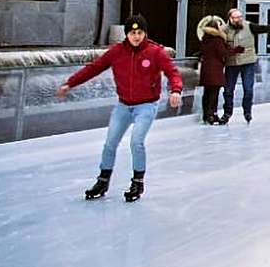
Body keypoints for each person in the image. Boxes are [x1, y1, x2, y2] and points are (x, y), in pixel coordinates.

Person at [55, 15, 182, 202]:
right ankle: (103, 180)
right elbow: (93, 68)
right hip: (124, 105)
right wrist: (70, 84)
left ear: (145, 34)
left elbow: (172, 72)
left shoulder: (156, 52)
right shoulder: (117, 52)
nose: (136, 36)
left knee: (136, 142)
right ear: (127, 34)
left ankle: (137, 181)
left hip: (146, 105)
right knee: (110, 144)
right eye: (132, 33)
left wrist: (176, 90)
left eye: (140, 33)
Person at [223, 8, 270, 124]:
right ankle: (227, 112)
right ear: (230, 19)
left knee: (248, 89)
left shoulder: (248, 26)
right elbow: (218, 45)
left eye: (240, 17)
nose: (239, 19)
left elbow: (263, 28)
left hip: (248, 62)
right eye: (237, 17)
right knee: (228, 90)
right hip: (232, 63)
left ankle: (247, 111)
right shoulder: (224, 30)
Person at [196, 16, 232, 124]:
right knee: (214, 93)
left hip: (206, 69)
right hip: (216, 69)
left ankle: (205, 114)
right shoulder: (218, 40)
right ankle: (212, 114)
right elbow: (223, 53)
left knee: (207, 92)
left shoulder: (204, 39)